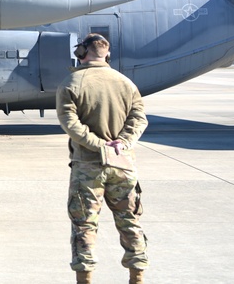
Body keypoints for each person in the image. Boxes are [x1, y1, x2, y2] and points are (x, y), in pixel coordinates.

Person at [56, 34, 149, 284]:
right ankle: (137, 277)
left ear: (83, 52)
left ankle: (85, 279)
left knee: (84, 225)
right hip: (122, 163)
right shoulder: (126, 83)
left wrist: (98, 145)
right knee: (130, 221)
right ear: (107, 54)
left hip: (88, 166)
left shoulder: (71, 82)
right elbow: (139, 118)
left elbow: (70, 123)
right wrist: (123, 142)